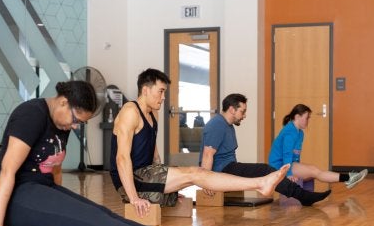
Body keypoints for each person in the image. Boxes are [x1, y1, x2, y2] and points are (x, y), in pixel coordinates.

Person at [0, 80, 221, 226]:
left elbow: (54, 169)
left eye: (81, 122)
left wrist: (60, 196)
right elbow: (7, 171)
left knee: (101, 212)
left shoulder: (61, 121)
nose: (76, 126)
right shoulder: (30, 115)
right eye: (76, 119)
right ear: (63, 103)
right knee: (92, 220)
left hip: (39, 191)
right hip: (16, 201)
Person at [110, 68, 289, 217]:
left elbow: (154, 155)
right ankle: (259, 184)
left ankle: (260, 183)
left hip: (146, 174)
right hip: (130, 180)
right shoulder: (130, 112)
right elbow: (122, 159)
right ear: (146, 90)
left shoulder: (151, 113)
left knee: (192, 174)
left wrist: (168, 186)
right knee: (195, 173)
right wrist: (134, 198)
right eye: (161, 91)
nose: (164, 97)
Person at [199, 94, 331, 206]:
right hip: (221, 170)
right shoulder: (217, 124)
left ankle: (303, 196)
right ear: (232, 109)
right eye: (242, 111)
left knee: (266, 170)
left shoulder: (228, 126)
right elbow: (207, 155)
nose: (244, 115)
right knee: (265, 170)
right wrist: (206, 182)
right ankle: (303, 196)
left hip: (228, 167)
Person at [269, 104, 367, 188]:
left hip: (288, 164)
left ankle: (349, 178)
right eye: (306, 118)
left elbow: (296, 154)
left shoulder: (300, 133)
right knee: (314, 171)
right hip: (279, 166)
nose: (308, 121)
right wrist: (289, 174)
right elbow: (287, 154)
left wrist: (299, 167)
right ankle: (349, 178)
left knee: (314, 171)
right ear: (297, 117)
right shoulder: (289, 131)